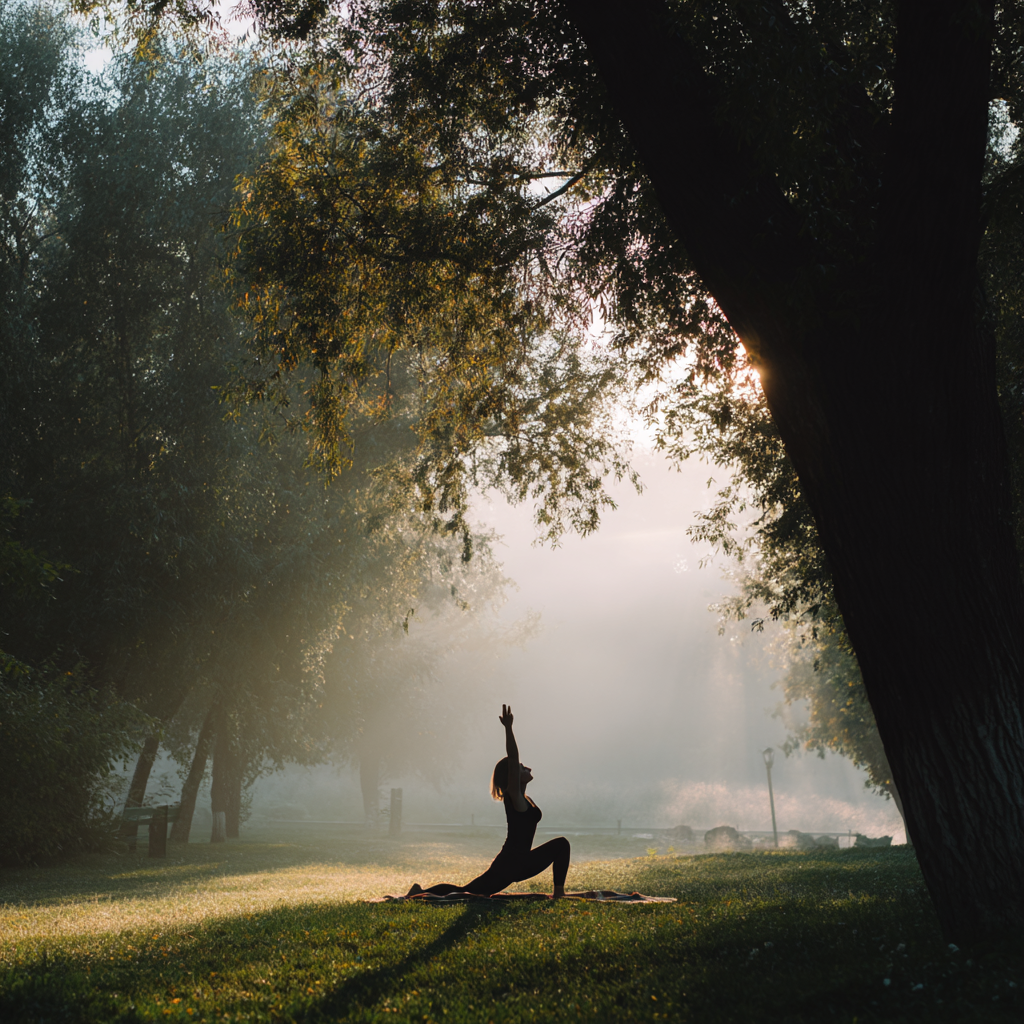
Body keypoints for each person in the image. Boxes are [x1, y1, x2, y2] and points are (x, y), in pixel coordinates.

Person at [406, 704, 570, 898]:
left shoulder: (525, 798)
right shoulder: (514, 797)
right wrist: (509, 729)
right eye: (522, 768)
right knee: (467, 892)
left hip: (522, 861)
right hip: (509, 864)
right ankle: (419, 893)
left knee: (561, 845)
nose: (529, 769)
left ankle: (559, 893)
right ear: (513, 774)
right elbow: (513, 755)